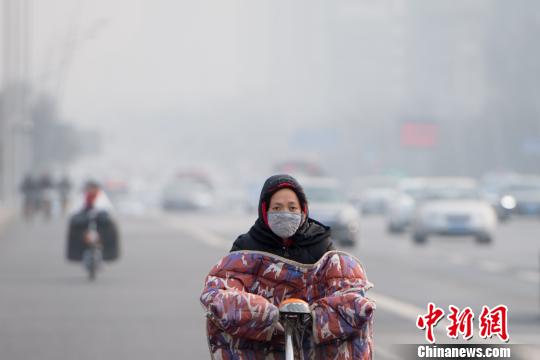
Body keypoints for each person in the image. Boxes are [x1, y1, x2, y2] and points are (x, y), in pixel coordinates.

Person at [200, 174, 375, 359]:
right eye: (277, 208)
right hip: (262, 344)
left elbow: (345, 288)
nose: (285, 213)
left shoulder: (322, 246)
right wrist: (264, 314)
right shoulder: (246, 247)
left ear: (303, 210)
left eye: (292, 208)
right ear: (265, 210)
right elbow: (223, 290)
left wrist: (316, 316)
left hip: (312, 343)